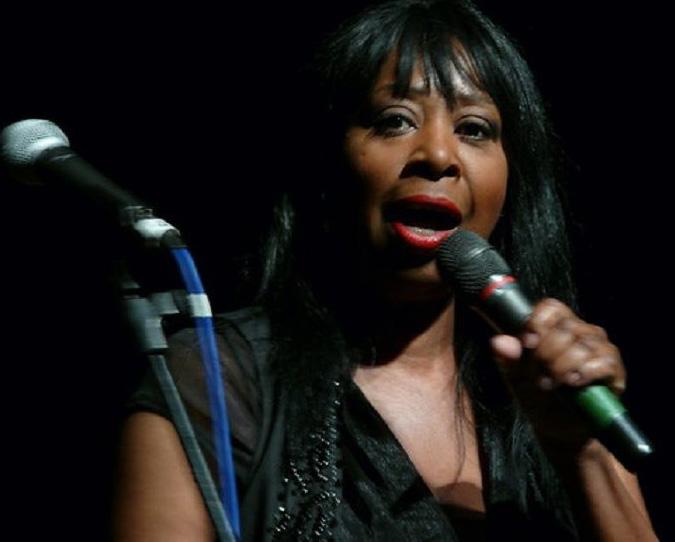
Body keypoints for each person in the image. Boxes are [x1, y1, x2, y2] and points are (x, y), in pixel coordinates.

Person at [113, 0, 658, 540]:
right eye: (395, 120)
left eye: (474, 129)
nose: (438, 155)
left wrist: (583, 452)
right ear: (327, 163)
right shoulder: (218, 378)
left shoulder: (548, 389)